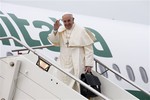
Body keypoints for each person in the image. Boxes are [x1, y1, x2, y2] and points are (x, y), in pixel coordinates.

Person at [47, 12, 96, 92]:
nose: (67, 23)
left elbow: (88, 49)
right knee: (59, 79)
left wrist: (89, 64)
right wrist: (55, 29)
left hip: (76, 61)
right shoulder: (61, 30)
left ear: (73, 20)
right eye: (65, 21)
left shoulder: (81, 30)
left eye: (69, 21)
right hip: (63, 60)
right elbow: (54, 40)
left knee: (75, 83)